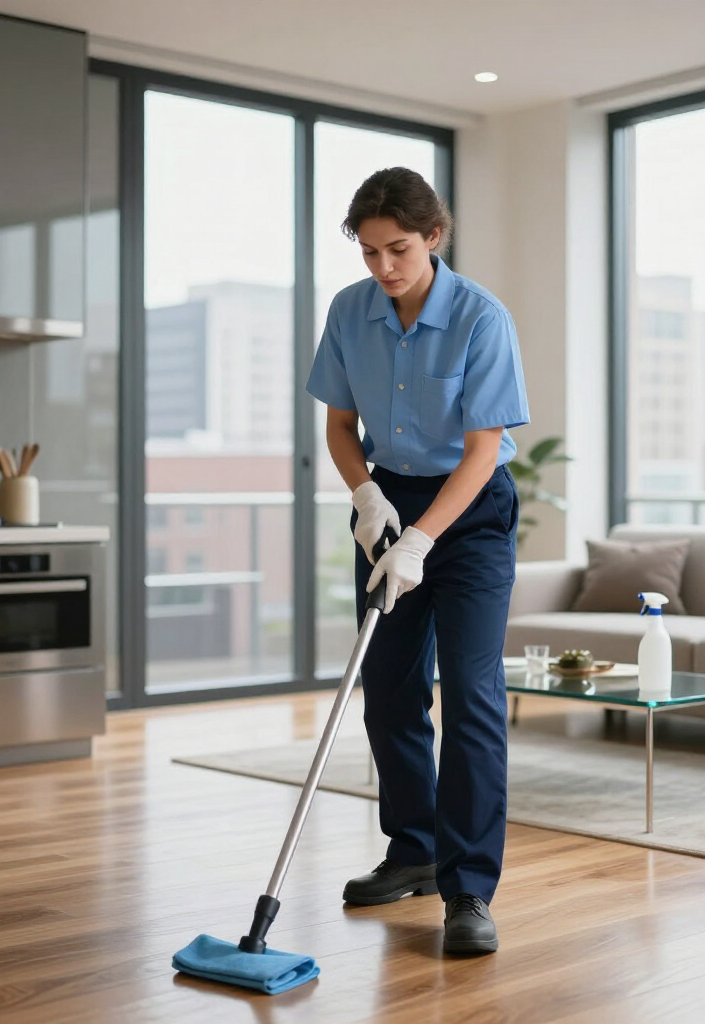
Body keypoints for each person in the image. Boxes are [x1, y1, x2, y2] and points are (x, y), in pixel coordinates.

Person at [306, 166, 529, 955]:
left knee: (470, 693)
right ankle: (414, 850)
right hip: (387, 499)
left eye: (397, 249)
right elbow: (339, 427)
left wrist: (425, 541)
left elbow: (481, 453)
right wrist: (367, 498)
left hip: (468, 515)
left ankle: (469, 887)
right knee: (390, 689)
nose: (383, 268)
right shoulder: (350, 312)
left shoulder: (480, 319)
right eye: (368, 253)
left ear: (433, 236)